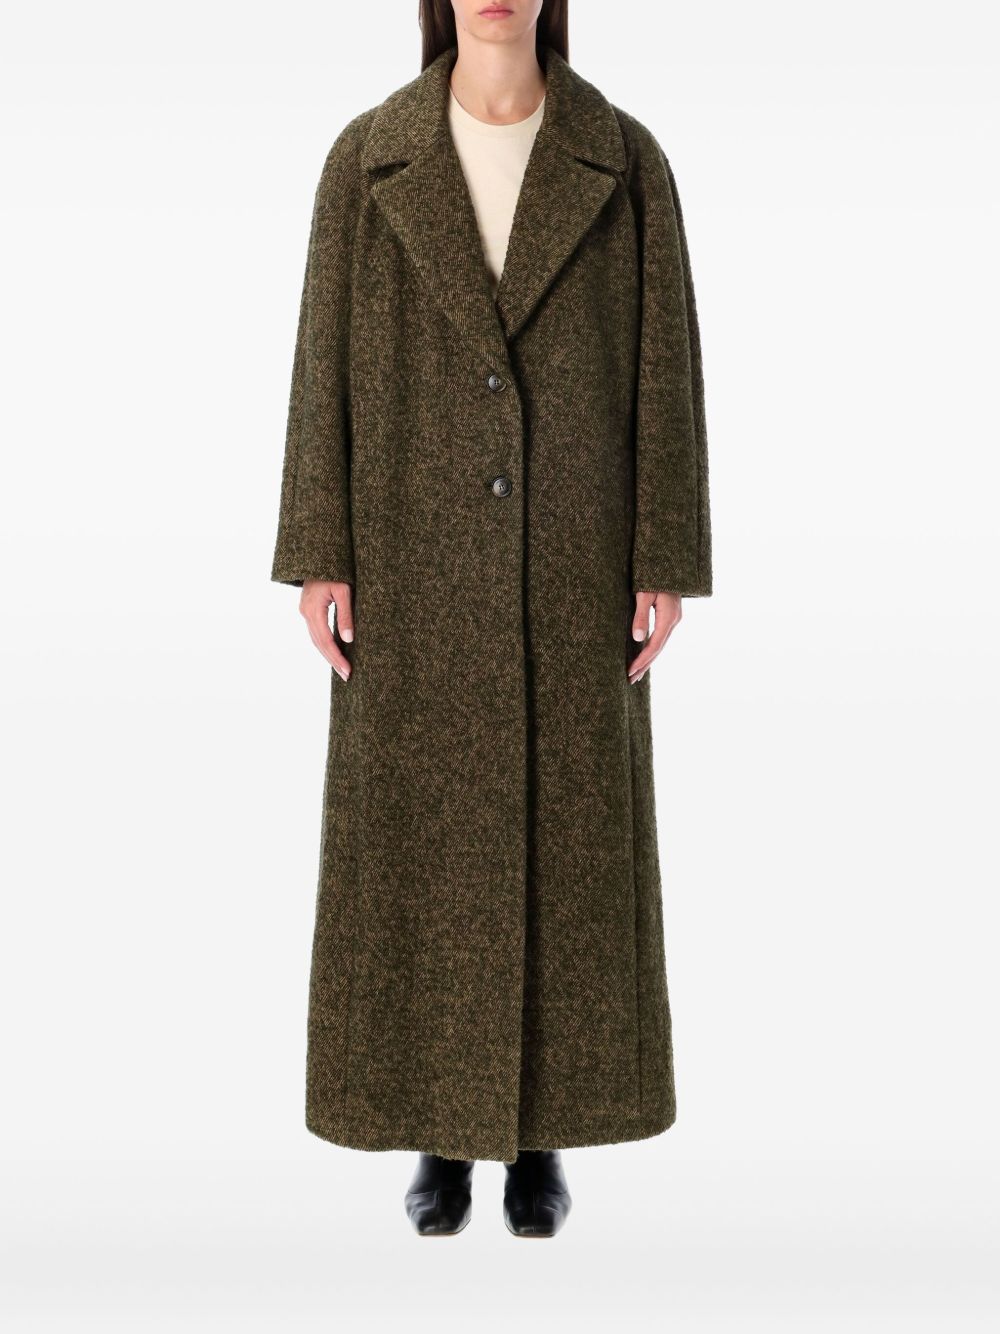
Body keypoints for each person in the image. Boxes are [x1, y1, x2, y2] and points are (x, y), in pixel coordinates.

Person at [270, 0, 712, 1239]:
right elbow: (320, 359)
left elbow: (667, 365)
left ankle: (539, 1133)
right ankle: (435, 1128)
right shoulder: (367, 158)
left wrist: (664, 551)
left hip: (575, 556)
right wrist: (318, 547)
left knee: (567, 846)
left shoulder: (624, 160)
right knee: (418, 844)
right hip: (411, 553)